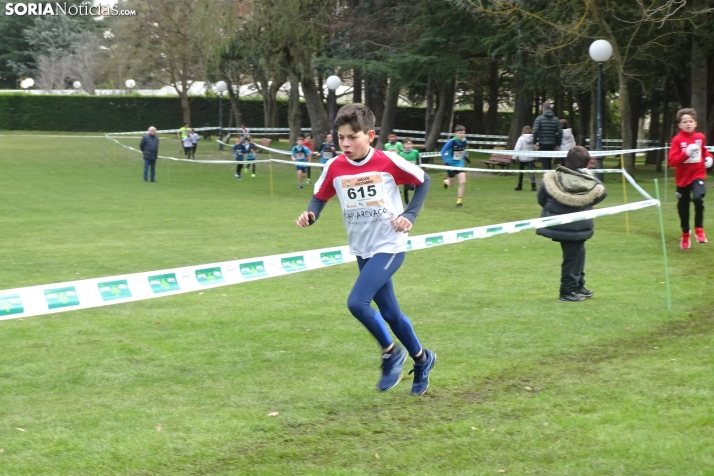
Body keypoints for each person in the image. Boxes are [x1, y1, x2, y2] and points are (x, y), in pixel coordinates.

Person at [295, 103, 436, 395]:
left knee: (357, 303)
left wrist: (409, 215)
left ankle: (391, 353)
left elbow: (424, 181)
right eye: (340, 137)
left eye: (353, 137)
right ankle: (423, 359)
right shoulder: (334, 166)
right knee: (391, 314)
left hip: (390, 245)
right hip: (362, 248)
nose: (345, 143)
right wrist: (311, 215)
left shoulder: (388, 161)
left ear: (370, 135)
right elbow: (319, 197)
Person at [536, 146, 607, 302]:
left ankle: (577, 285)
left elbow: (542, 198)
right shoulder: (590, 181)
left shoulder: (553, 178)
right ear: (587, 163)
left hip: (561, 224)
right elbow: (601, 194)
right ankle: (567, 291)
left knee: (578, 254)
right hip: (576, 226)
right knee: (573, 257)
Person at [667, 108, 713, 249]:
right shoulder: (677, 140)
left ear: (695, 123)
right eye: (685, 122)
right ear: (680, 125)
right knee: (683, 208)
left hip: (697, 175)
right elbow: (671, 162)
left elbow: (704, 151)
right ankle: (685, 233)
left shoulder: (700, 137)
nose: (688, 124)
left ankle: (699, 229)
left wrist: (710, 159)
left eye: (690, 121)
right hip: (682, 180)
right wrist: (686, 153)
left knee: (698, 198)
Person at [440, 124, 469, 207]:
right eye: (460, 133)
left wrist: (466, 157)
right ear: (456, 133)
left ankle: (459, 202)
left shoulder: (464, 141)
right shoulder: (451, 142)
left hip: (460, 164)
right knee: (451, 185)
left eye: (463, 133)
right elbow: (442, 152)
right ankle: (446, 181)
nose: (462, 134)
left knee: (463, 181)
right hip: (450, 164)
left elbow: (462, 150)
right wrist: (446, 162)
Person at [532, 102, 562, 170]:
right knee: (549, 161)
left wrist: (535, 142)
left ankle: (546, 178)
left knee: (544, 162)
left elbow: (535, 130)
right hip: (552, 143)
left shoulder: (539, 118)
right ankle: (548, 177)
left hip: (542, 143)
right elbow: (560, 132)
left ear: (543, 108)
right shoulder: (556, 119)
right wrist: (558, 143)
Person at [513, 125, 537, 192]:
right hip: (530, 158)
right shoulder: (533, 139)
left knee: (521, 172)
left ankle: (520, 185)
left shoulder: (521, 138)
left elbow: (517, 148)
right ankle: (533, 186)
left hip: (522, 157)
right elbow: (535, 148)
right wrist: (535, 157)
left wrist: (514, 157)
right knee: (531, 172)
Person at [399, 139, 421, 204]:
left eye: (410, 144)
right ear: (403, 145)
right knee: (405, 187)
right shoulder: (401, 153)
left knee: (412, 187)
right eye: (407, 144)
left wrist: (420, 166)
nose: (409, 145)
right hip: (405, 173)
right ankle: (406, 202)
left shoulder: (415, 152)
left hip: (414, 172)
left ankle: (416, 200)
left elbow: (419, 159)